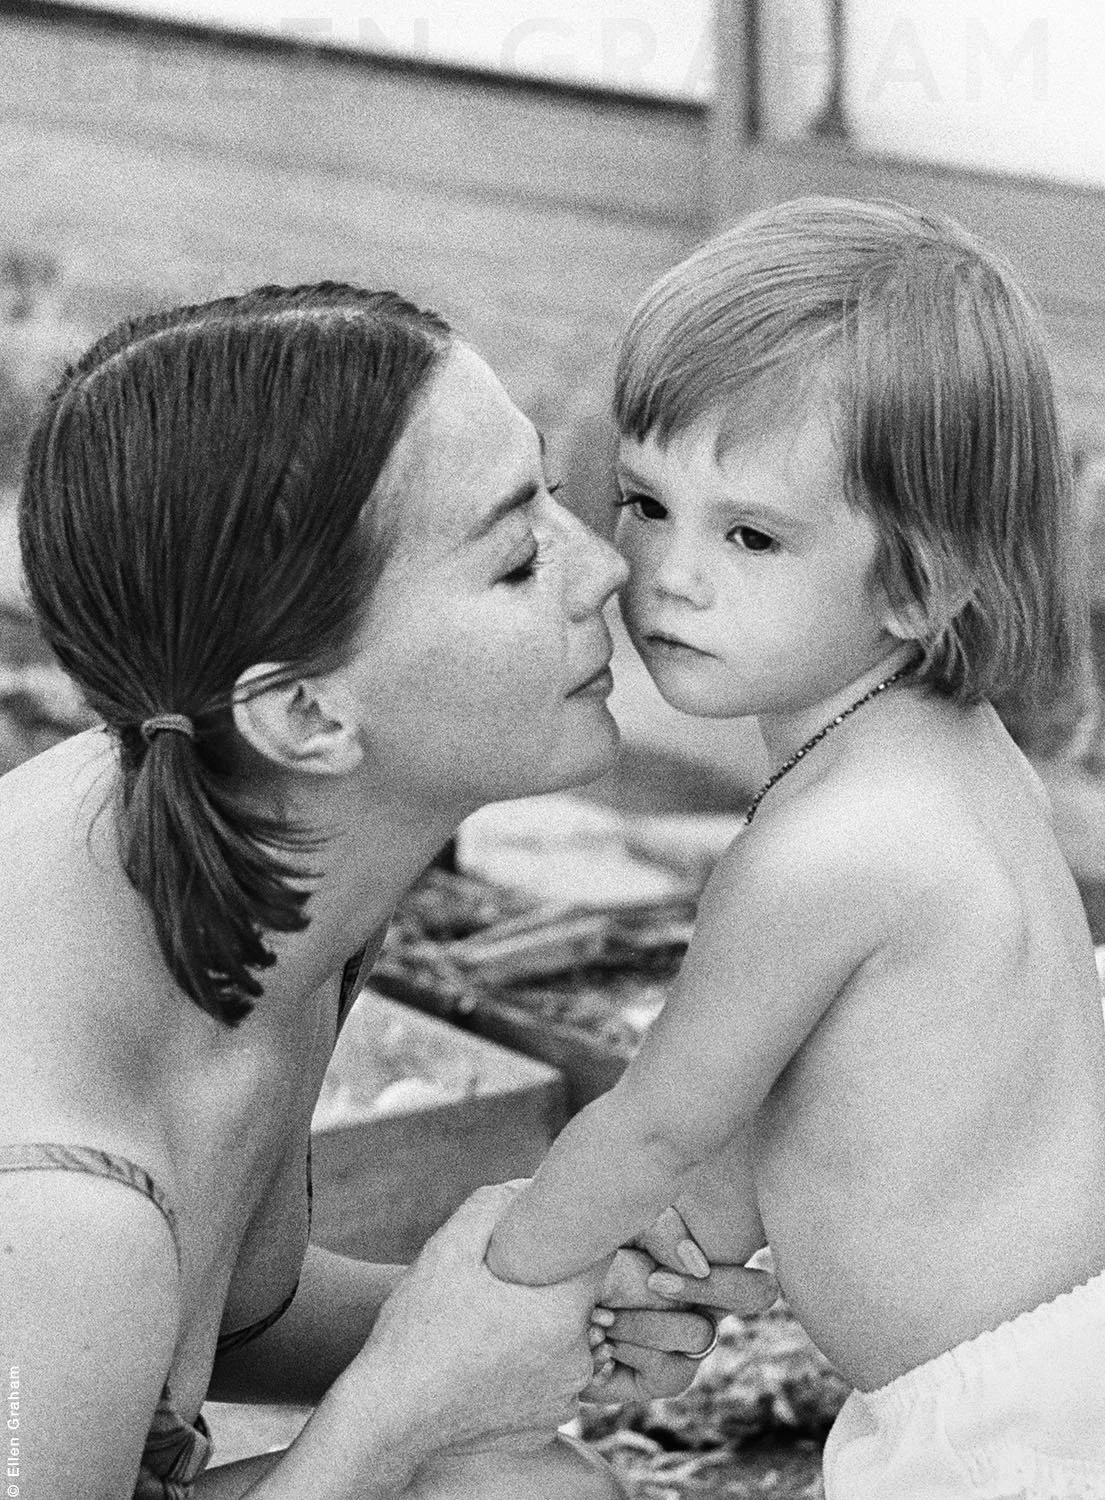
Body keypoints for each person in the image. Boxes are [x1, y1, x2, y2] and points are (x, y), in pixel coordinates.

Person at [1, 283, 778, 1500]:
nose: (602, 573)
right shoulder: (57, 1213)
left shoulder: (227, 814)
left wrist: (524, 1306)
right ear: (304, 715)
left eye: (554, 499)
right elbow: (92, 1309)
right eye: (516, 558)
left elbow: (217, 1322)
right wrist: (409, 1401)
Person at [486, 198, 1105, 1496]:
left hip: (988, 1432)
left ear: (919, 583)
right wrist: (683, 1270)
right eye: (645, 502)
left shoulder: (824, 849)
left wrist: (504, 1292)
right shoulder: (948, 749)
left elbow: (657, 1124)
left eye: (750, 535)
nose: (668, 574)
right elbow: (766, 1103)